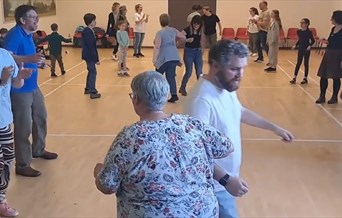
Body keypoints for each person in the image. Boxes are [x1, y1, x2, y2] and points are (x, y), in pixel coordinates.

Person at [93, 71, 235, 217]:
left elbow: (107, 185)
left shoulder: (129, 137)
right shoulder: (192, 124)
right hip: (201, 212)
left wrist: (99, 172)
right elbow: (227, 147)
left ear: (136, 99)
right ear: (165, 97)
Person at [185, 40, 294, 218]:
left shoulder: (226, 87)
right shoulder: (202, 100)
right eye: (234, 69)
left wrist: (274, 128)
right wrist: (226, 180)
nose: (240, 74)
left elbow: (239, 111)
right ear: (214, 65)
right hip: (214, 187)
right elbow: (195, 153)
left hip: (226, 183)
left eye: (242, 68)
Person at [4, 4, 58, 177]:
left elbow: (28, 58)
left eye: (37, 16)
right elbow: (7, 56)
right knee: (23, 126)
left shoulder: (28, 35)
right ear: (22, 20)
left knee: (40, 117)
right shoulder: (14, 35)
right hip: (19, 89)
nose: (37, 19)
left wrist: (38, 62)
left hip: (33, 86)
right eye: (33, 17)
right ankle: (22, 164)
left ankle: (38, 149)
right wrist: (29, 58)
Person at [0, 48, 32, 217]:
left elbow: (16, 84)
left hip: (4, 120)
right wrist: (1, 80)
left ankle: (1, 199)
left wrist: (20, 76)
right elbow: (4, 81)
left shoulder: (5, 55)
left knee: (8, 161)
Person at [153, 13, 186, 103]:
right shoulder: (173, 30)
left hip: (164, 57)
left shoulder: (159, 33)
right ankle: (174, 94)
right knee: (170, 77)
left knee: (157, 76)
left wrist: (154, 59)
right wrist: (176, 43)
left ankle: (156, 94)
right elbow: (183, 37)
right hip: (174, 56)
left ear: (160, 22)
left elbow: (157, 47)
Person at [315, 10, 342, 104]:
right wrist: (325, 41)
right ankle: (322, 96)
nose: (331, 19)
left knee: (336, 77)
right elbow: (331, 41)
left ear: (337, 18)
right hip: (329, 53)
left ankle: (334, 97)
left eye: (332, 17)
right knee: (323, 75)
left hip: (338, 55)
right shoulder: (333, 29)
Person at [179, 15, 205, 96]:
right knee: (189, 71)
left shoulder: (200, 31)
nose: (196, 26)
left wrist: (202, 49)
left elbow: (202, 40)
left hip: (198, 52)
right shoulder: (187, 30)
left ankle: (200, 89)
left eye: (198, 24)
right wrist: (186, 40)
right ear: (192, 23)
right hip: (189, 52)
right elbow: (178, 38)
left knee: (199, 72)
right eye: (194, 24)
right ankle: (182, 88)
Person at [290, 18, 315, 84]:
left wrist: (310, 45)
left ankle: (305, 78)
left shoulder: (309, 32)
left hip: (306, 49)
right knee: (298, 63)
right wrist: (295, 45)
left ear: (307, 24)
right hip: (301, 48)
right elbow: (300, 40)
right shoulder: (299, 31)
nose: (301, 24)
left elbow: (313, 40)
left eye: (303, 23)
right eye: (300, 22)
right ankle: (294, 77)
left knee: (306, 63)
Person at [82, 13, 101, 99]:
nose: (95, 22)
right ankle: (92, 91)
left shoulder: (88, 30)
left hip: (87, 55)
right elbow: (91, 47)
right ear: (90, 22)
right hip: (89, 55)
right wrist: (96, 59)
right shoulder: (88, 32)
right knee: (93, 72)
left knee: (90, 71)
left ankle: (87, 88)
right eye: (94, 20)